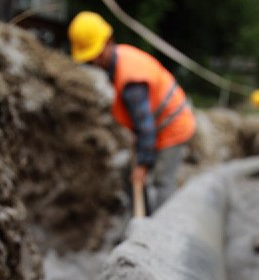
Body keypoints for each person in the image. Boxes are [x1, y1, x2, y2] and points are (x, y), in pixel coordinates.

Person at [68, 11, 196, 216]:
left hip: (173, 125)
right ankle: (141, 219)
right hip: (158, 124)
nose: (95, 62)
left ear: (108, 42)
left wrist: (143, 164)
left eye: (97, 55)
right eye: (91, 58)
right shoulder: (118, 62)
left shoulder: (131, 80)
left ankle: (164, 231)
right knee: (131, 175)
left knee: (162, 181)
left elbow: (145, 126)